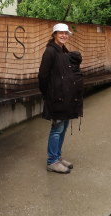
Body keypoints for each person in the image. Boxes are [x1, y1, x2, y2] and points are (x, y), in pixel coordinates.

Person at [38, 23, 84, 174]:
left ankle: (57, 157)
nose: (64, 35)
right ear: (54, 35)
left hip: (65, 98)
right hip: (56, 98)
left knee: (63, 128)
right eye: (60, 33)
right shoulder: (50, 52)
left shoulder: (63, 50)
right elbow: (42, 77)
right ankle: (52, 161)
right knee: (57, 129)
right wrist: (48, 95)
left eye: (66, 33)